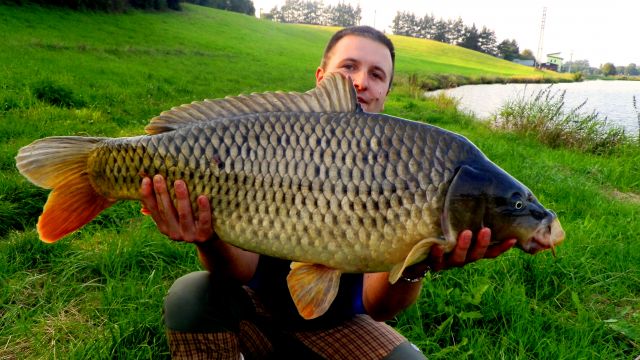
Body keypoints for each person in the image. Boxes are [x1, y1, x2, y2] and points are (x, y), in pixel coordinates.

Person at [140, 26, 516, 359]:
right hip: (250, 307)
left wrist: (415, 264)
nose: (361, 81)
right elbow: (240, 271)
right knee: (190, 295)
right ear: (322, 78)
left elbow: (378, 305)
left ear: (385, 92)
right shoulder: (269, 140)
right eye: (348, 67)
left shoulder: (405, 167)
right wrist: (205, 238)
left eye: (377, 74)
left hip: (337, 325)